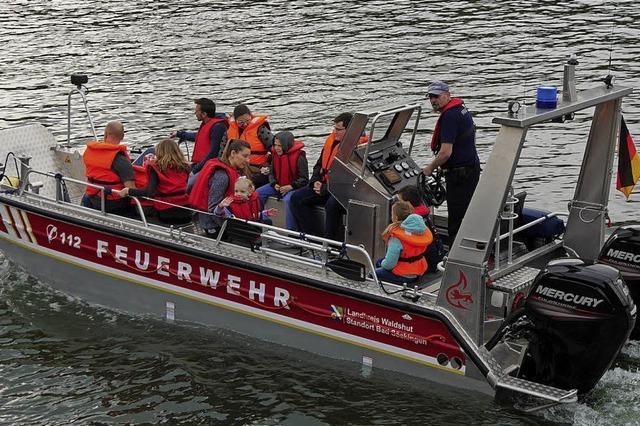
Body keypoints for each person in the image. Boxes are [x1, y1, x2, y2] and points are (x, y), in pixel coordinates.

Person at [421, 81, 480, 243]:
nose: (433, 100)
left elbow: (446, 153)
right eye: (431, 97)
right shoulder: (461, 109)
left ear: (447, 95)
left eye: (437, 96)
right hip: (471, 168)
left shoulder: (449, 116)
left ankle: (455, 255)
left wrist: (429, 168)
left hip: (460, 174)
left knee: (456, 217)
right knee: (468, 212)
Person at [289, 112, 353, 241]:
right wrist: (315, 181)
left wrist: (326, 188)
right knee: (297, 198)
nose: (335, 132)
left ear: (350, 129)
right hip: (324, 185)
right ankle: (311, 237)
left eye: (338, 129)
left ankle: (330, 244)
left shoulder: (356, 148)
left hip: (341, 192)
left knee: (332, 205)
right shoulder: (331, 141)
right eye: (334, 128)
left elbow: (350, 178)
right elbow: (319, 165)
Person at [115, 139, 192, 225]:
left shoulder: (156, 168)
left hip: (167, 213)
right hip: (187, 212)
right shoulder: (185, 167)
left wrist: (128, 191)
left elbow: (148, 192)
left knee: (137, 208)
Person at [188, 139, 251, 235]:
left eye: (249, 157)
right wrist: (230, 227)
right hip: (214, 225)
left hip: (227, 217)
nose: (248, 160)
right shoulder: (222, 176)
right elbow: (213, 208)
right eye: (245, 156)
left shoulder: (227, 168)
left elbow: (190, 183)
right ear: (233, 153)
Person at [170, 98, 228, 190]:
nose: (195, 113)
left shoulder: (218, 127)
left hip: (208, 167)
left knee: (189, 184)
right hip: (199, 164)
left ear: (204, 114)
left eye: (196, 111)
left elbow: (213, 153)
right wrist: (179, 134)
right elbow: (198, 137)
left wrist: (195, 169)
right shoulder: (207, 123)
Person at [256, 131, 309, 230]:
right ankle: (259, 222)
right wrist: (274, 183)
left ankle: (291, 231)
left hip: (294, 187)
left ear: (286, 144)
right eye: (275, 145)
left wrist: (291, 186)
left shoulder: (299, 157)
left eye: (280, 145)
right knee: (258, 193)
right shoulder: (274, 155)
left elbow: (304, 180)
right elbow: (271, 174)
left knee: (288, 200)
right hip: (279, 185)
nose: (276, 148)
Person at [82, 120, 135, 215]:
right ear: (122, 137)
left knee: (85, 198)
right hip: (113, 204)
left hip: (93, 196)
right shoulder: (121, 160)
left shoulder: (90, 151)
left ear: (105, 133)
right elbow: (131, 189)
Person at [375, 201, 433, 285]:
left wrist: (382, 263)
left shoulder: (396, 237)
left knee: (374, 272)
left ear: (396, 217)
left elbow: (389, 264)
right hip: (418, 270)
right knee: (380, 262)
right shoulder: (421, 229)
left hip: (404, 275)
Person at [397, 185, 445, 273]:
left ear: (408, 203)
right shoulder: (424, 213)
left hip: (425, 264)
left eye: (400, 202)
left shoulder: (411, 220)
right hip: (436, 257)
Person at [224, 104, 274, 188]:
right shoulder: (229, 131)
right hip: (235, 167)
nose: (245, 124)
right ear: (235, 120)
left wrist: (270, 166)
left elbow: (274, 148)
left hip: (257, 167)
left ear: (251, 116)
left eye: (248, 120)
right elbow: (223, 151)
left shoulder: (260, 129)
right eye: (241, 122)